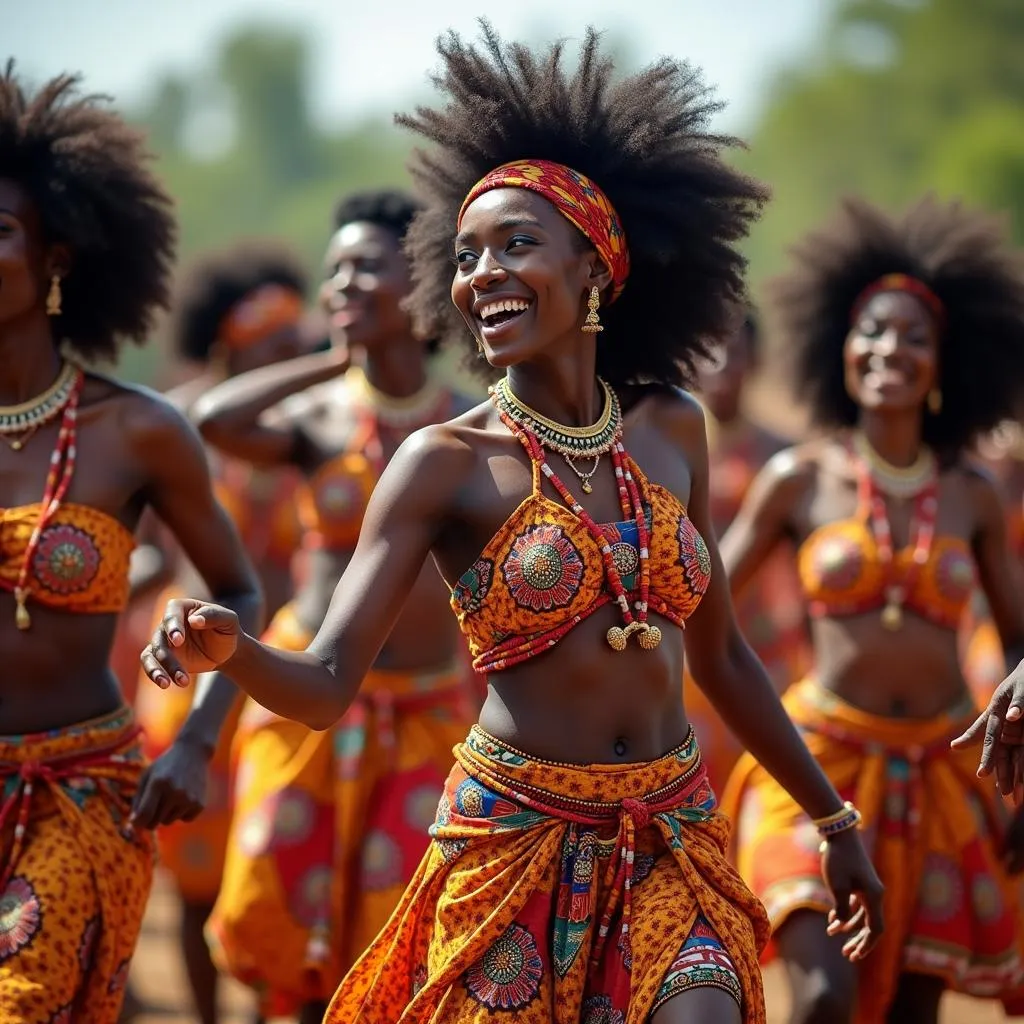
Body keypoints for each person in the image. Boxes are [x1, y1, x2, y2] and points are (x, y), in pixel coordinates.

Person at [141, 26, 884, 1024]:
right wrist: (230, 649)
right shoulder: (444, 462)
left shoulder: (672, 429)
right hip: (510, 838)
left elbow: (723, 656)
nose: (481, 272)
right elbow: (322, 685)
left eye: (516, 243)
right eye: (465, 254)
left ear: (595, 264)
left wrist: (832, 818)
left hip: (668, 827)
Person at [718, 195, 1024, 1024]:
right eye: (872, 332)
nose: (890, 348)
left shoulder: (974, 495)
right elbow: (698, 601)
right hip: (815, 768)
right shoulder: (798, 480)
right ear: (840, 351)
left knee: (910, 1016)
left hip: (939, 775)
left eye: (913, 336)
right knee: (821, 997)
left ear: (943, 365)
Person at [0, 65, 262, 1021]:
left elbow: (243, 587)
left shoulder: (137, 431)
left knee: (23, 1002)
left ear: (57, 258)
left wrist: (197, 741)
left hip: (83, 789)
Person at [193, 190, 476, 1023]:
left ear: (420, 285)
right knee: (279, 923)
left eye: (366, 267)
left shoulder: (469, 423)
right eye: (335, 270)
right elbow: (216, 417)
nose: (343, 283)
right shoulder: (318, 416)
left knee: (394, 942)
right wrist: (335, 358)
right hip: (302, 702)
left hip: (430, 708)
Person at [132, 241, 309, 1024]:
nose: (289, 356)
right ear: (229, 343)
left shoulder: (304, 431)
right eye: (273, 345)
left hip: (285, 679)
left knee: (279, 880)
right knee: (200, 888)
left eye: (293, 344)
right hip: (193, 673)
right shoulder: (182, 426)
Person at [686, 311, 810, 793]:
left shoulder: (782, 457)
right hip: (688, 649)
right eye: (708, 351)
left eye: (734, 352)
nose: (720, 365)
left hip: (765, 646)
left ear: (755, 362)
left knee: (762, 778)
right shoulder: (668, 449)